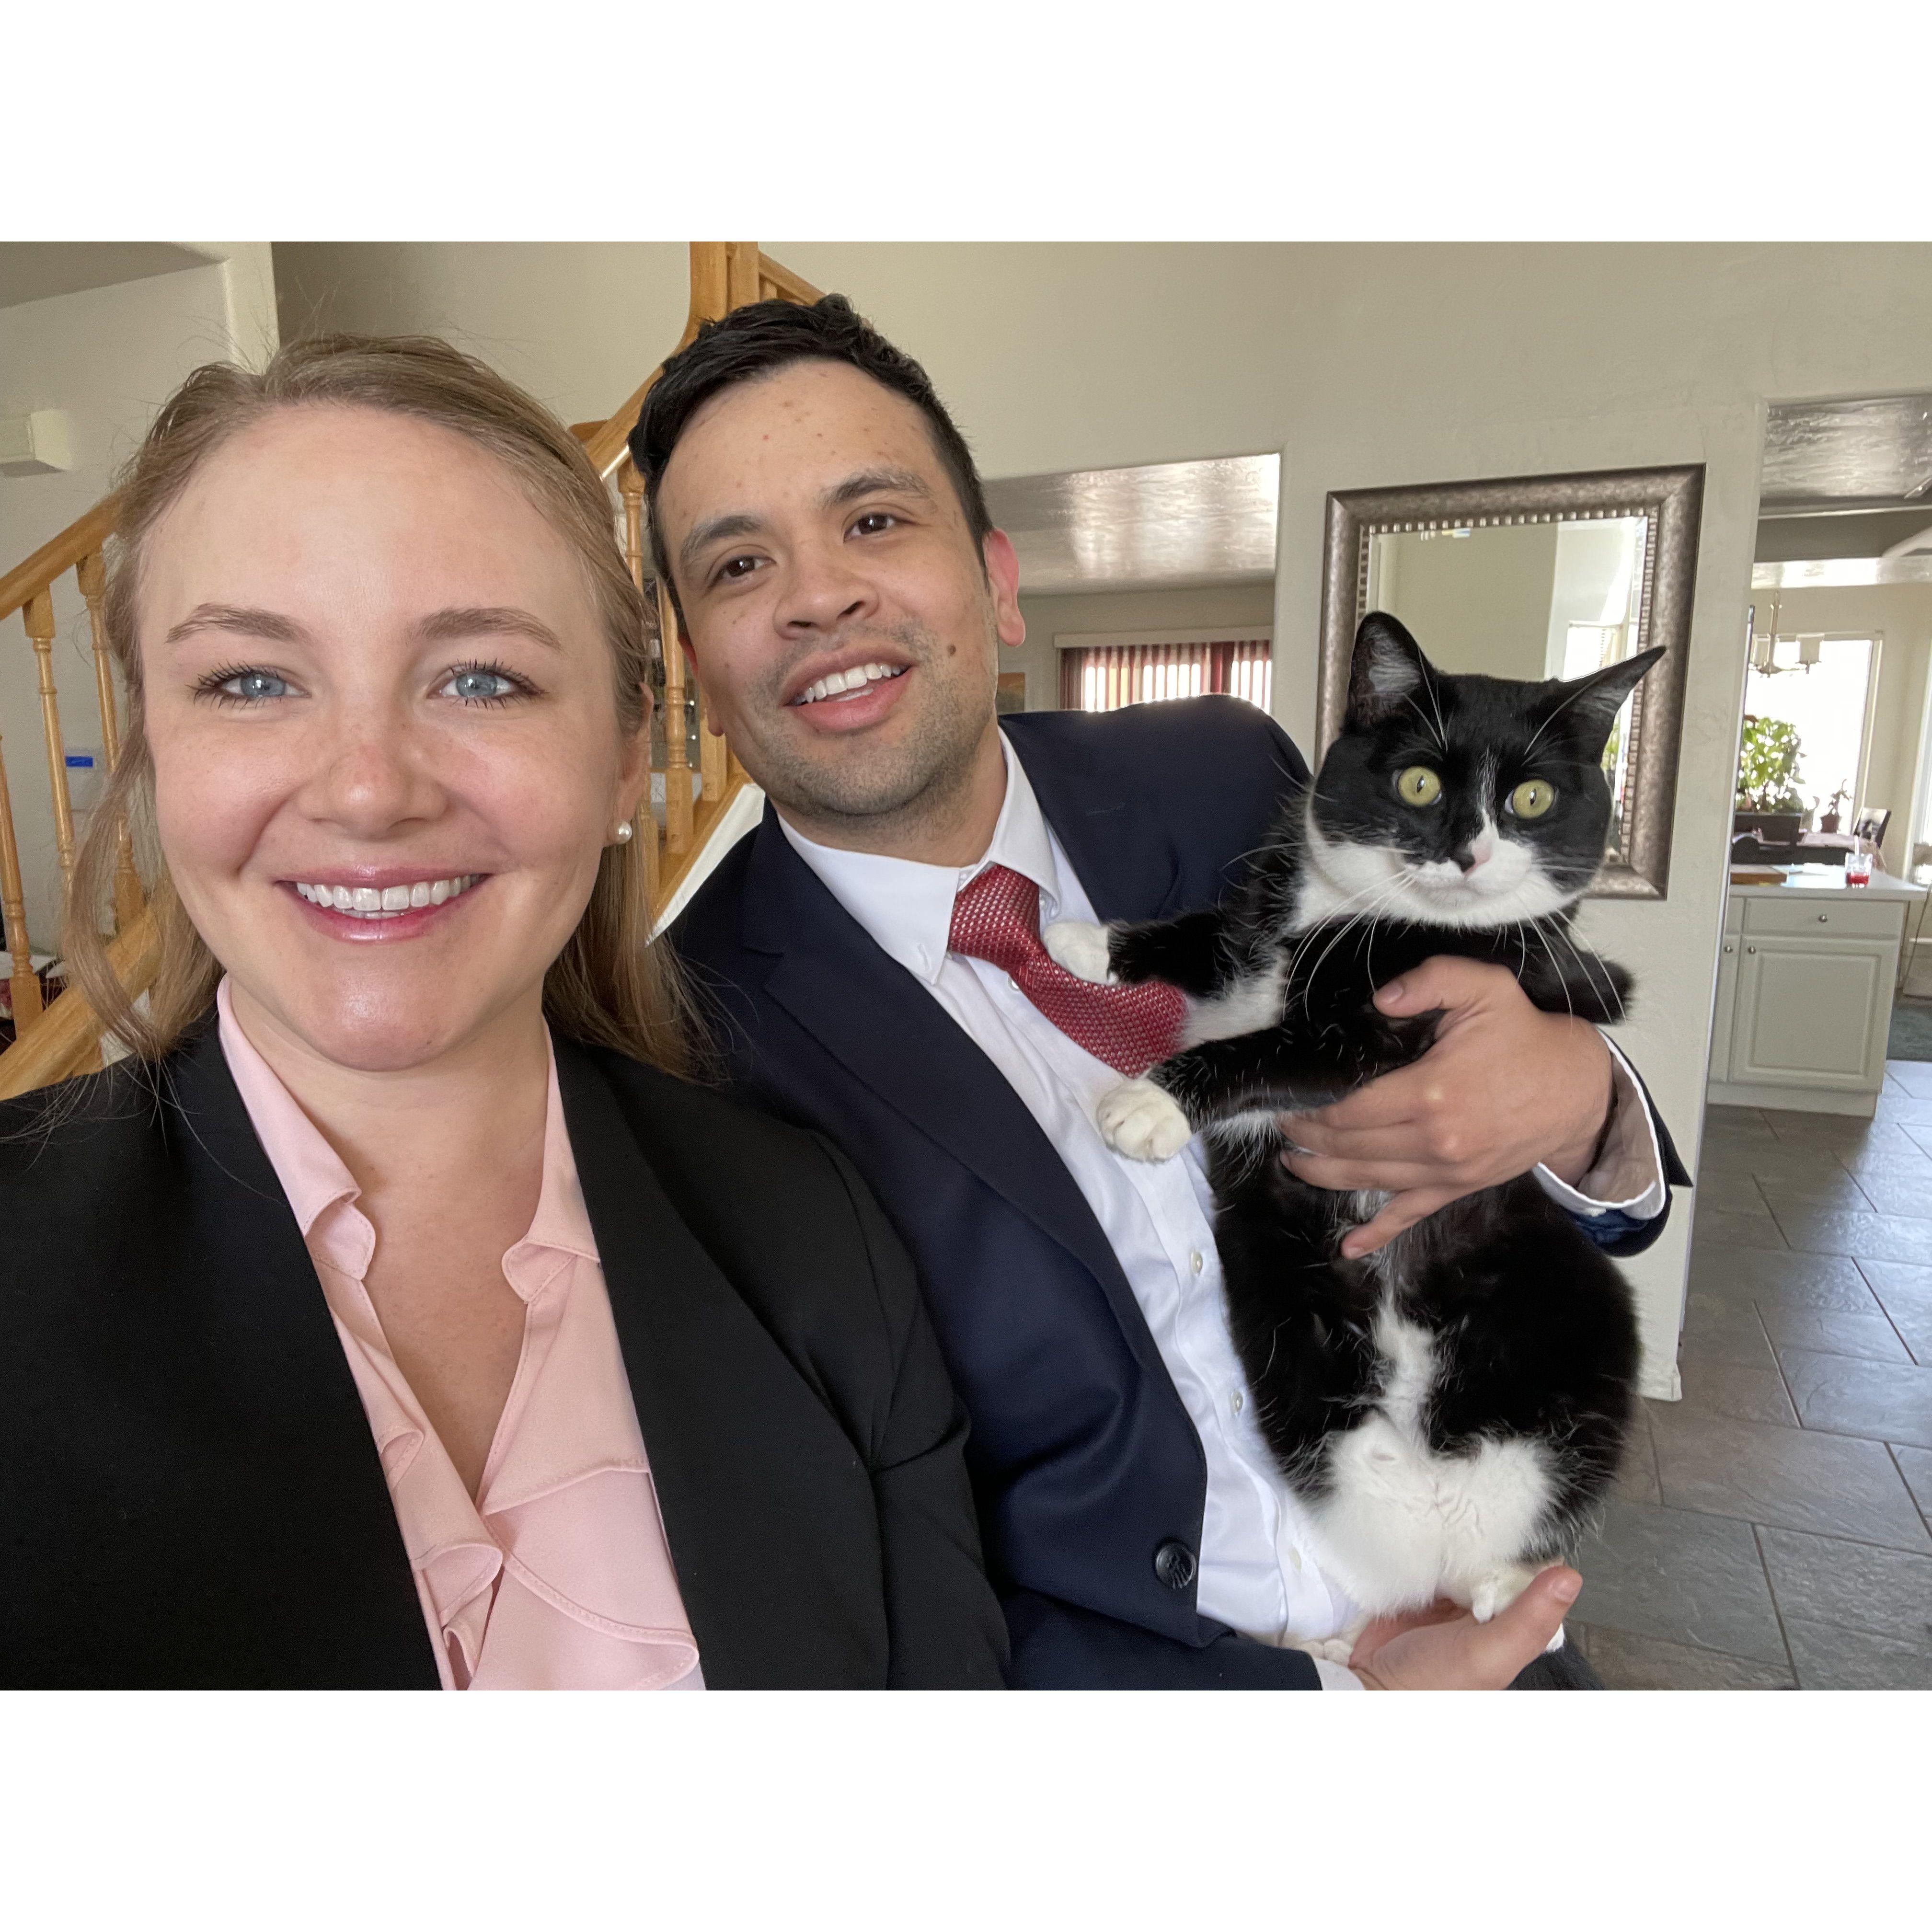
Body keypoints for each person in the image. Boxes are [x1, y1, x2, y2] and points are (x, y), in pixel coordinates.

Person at [644, 296, 1691, 1690]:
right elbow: (845, 1571)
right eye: (737, 564)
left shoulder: (1225, 773)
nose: (818, 595)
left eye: (876, 521)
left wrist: (1580, 1103)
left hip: (1500, 1625)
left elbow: (1509, 1053)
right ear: (697, 669)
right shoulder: (677, 1044)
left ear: (997, 579)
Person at [0, 334, 1007, 1690]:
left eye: (482, 678)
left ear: (624, 759)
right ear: (155, 747)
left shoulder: (820, 1240)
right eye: (251, 681)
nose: (369, 791)